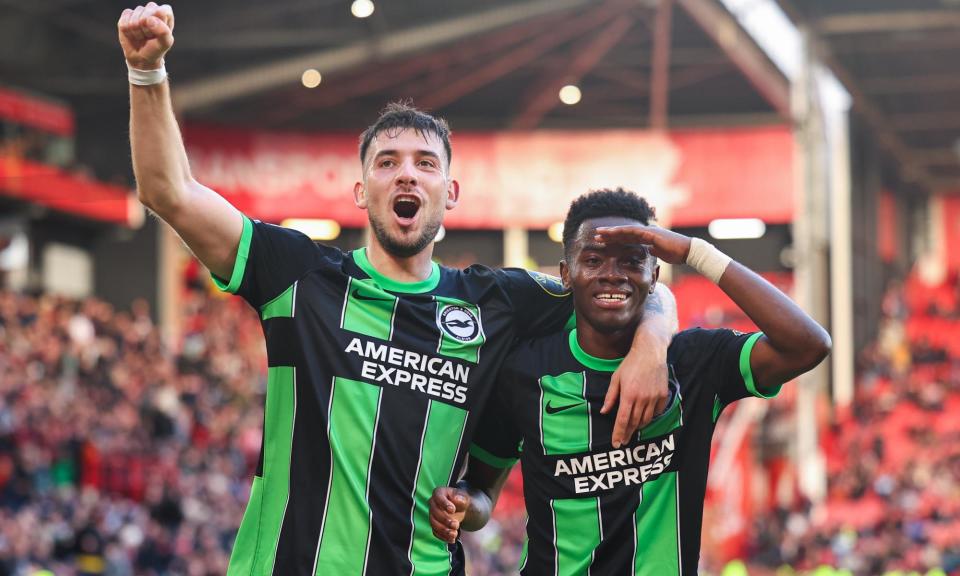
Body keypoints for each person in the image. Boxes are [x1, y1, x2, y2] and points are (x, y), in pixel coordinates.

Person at [116, 5, 678, 575]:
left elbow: (619, 285)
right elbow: (170, 191)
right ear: (362, 191)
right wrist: (146, 73)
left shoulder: (498, 302)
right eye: (387, 163)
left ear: (450, 192)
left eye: (424, 163)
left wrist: (655, 339)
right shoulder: (298, 276)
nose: (406, 174)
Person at [430, 189, 831, 574]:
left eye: (630, 261)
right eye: (594, 260)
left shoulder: (695, 364)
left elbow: (808, 345)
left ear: (654, 275)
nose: (612, 275)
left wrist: (696, 252)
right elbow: (482, 492)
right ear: (567, 275)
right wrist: (463, 505)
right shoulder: (522, 375)